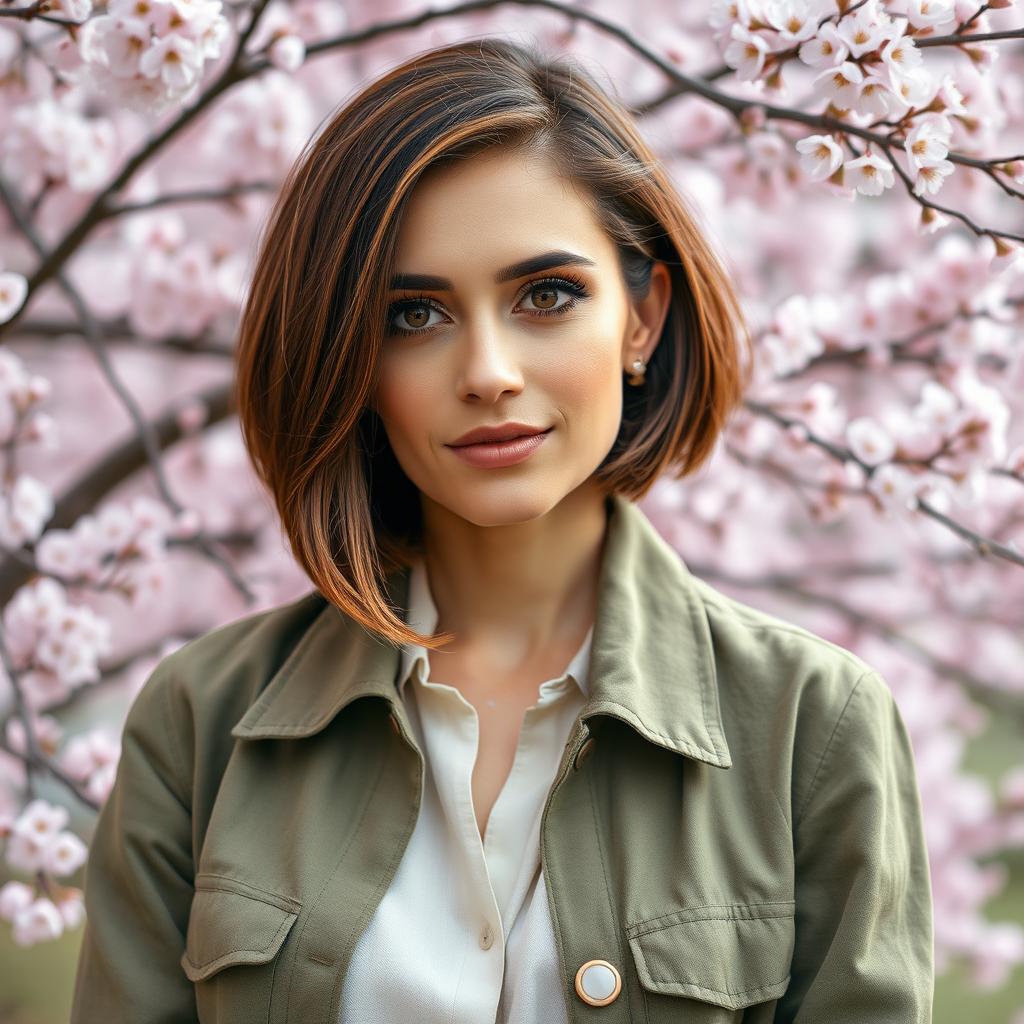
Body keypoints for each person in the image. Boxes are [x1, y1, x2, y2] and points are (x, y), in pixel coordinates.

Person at [69, 36, 934, 1024]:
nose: (486, 370)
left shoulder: (809, 728)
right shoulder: (202, 724)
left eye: (547, 296)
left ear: (642, 319)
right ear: (349, 353)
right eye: (413, 315)